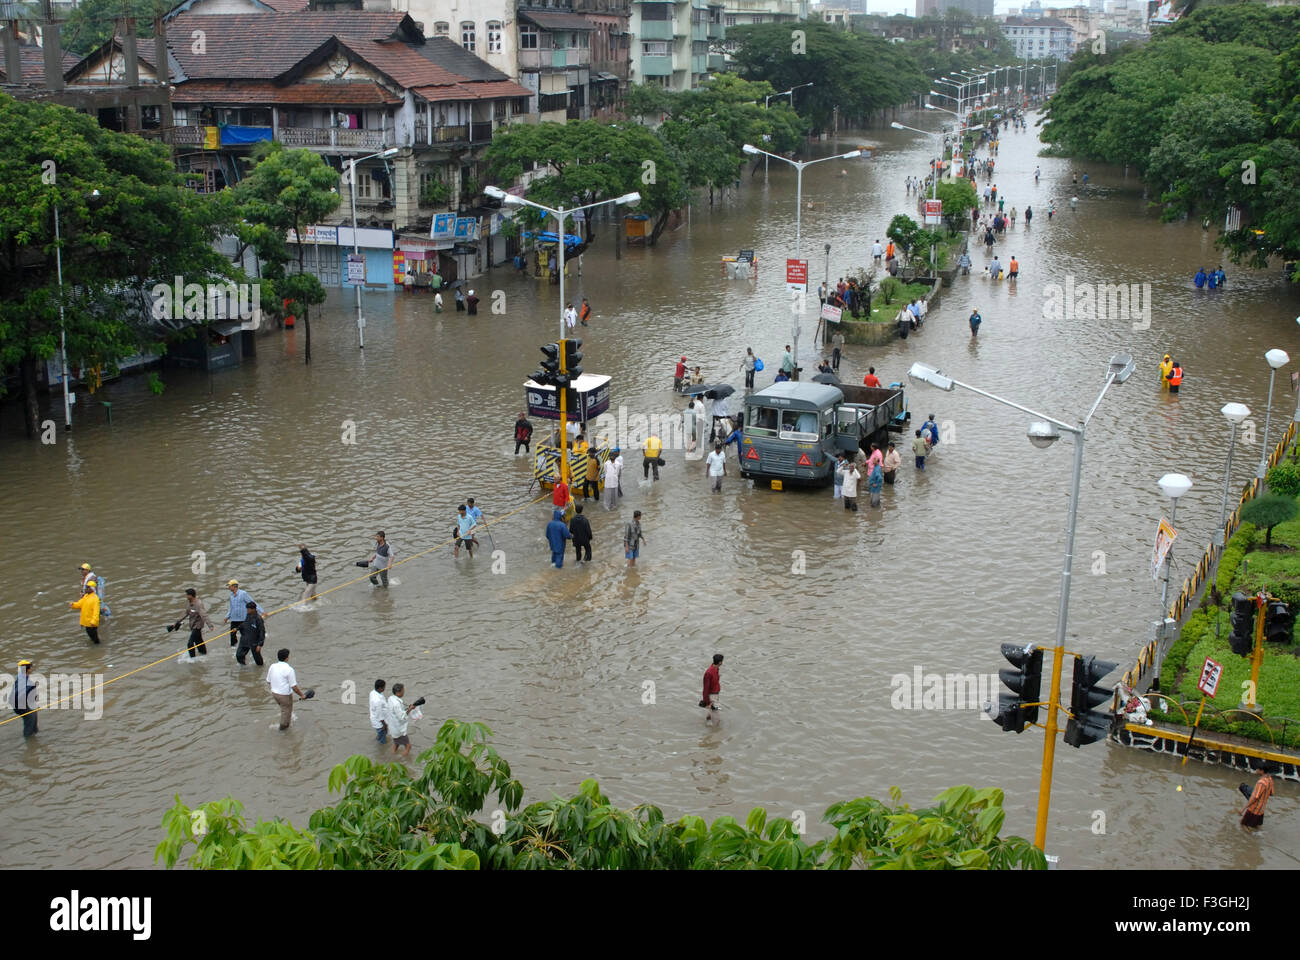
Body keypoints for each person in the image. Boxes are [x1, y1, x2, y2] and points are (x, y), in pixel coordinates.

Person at [174, 588, 213, 659]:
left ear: (191, 596)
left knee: (190, 643)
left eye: (187, 595)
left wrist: (210, 625)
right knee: (199, 641)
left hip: (197, 626)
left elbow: (204, 615)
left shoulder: (198, 604)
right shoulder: (189, 604)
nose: (186, 596)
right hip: (192, 625)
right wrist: (177, 622)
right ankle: (204, 655)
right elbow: (186, 613)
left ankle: (192, 660)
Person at [223, 579, 262, 645]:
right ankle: (233, 647)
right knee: (232, 635)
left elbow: (252, 603)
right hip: (234, 619)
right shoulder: (231, 595)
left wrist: (261, 611)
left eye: (229, 586)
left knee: (245, 635)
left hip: (243, 619)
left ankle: (248, 646)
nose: (228, 587)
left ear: (234, 586)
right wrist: (227, 616)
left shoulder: (243, 594)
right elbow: (231, 607)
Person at [386, 682, 418, 757]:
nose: (404, 692)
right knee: (408, 746)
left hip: (393, 727)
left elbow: (397, 712)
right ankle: (400, 760)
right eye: (403, 691)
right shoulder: (397, 704)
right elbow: (401, 717)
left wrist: (407, 708)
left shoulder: (391, 698)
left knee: (396, 744)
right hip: (399, 730)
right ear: (398, 692)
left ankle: (392, 756)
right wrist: (410, 709)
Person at [69, 580, 102, 645]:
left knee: (95, 639)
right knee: (91, 635)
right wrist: (73, 604)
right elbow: (80, 604)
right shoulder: (86, 596)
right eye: (86, 587)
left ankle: (98, 647)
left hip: (91, 624)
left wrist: (94, 621)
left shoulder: (95, 599)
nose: (86, 588)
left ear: (92, 589)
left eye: (88, 587)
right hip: (86, 622)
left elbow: (96, 612)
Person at [12, 658, 38, 737]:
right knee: (30, 720)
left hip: (21, 703)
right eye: (30, 667)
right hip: (20, 705)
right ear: (27, 669)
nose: (31, 668)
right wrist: (32, 687)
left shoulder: (23, 676)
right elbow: (20, 693)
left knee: (34, 714)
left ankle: (35, 732)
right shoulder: (22, 679)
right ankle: (29, 741)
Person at [236, 601, 266, 666]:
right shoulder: (248, 615)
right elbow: (244, 624)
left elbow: (262, 632)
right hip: (244, 640)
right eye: (247, 609)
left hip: (254, 642)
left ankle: (260, 670)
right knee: (239, 655)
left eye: (248, 609)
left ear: (253, 609)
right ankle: (243, 668)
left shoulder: (258, 619)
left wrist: (260, 644)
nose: (247, 610)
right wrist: (237, 628)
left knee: (258, 662)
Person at [701, 654, 723, 724]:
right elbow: (705, 689)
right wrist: (707, 702)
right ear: (720, 662)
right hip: (712, 697)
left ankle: (706, 727)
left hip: (715, 695)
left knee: (709, 716)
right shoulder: (708, 673)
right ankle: (716, 732)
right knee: (717, 720)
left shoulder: (716, 669)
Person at [370, 679, 388, 745]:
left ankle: (378, 738)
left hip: (377, 718)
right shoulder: (377, 700)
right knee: (383, 742)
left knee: (382, 734)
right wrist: (384, 724)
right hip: (380, 722)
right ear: (380, 688)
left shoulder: (373, 692)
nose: (384, 689)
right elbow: (379, 715)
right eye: (384, 687)